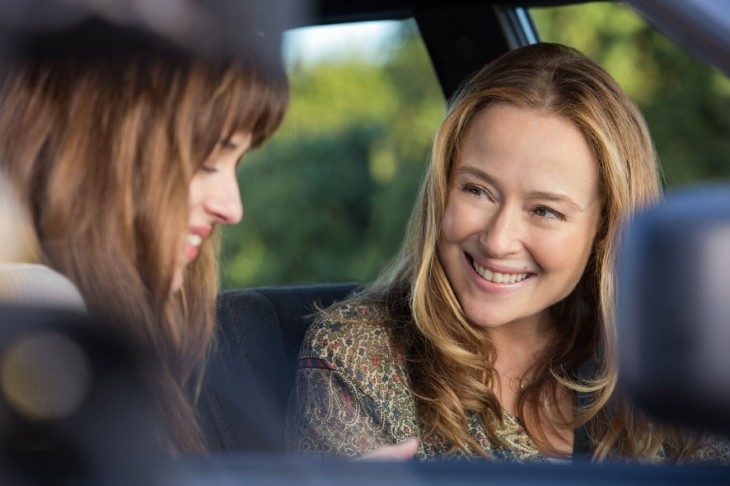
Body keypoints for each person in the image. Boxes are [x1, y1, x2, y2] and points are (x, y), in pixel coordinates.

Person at [286, 42, 729, 463]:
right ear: (442, 190)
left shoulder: (670, 352)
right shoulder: (358, 357)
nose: (498, 240)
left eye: (544, 211)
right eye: (477, 190)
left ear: (606, 228)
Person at [0, 54, 288, 454]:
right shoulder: (37, 305)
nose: (232, 208)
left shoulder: (129, 332)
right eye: (206, 163)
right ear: (99, 157)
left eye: (235, 163)